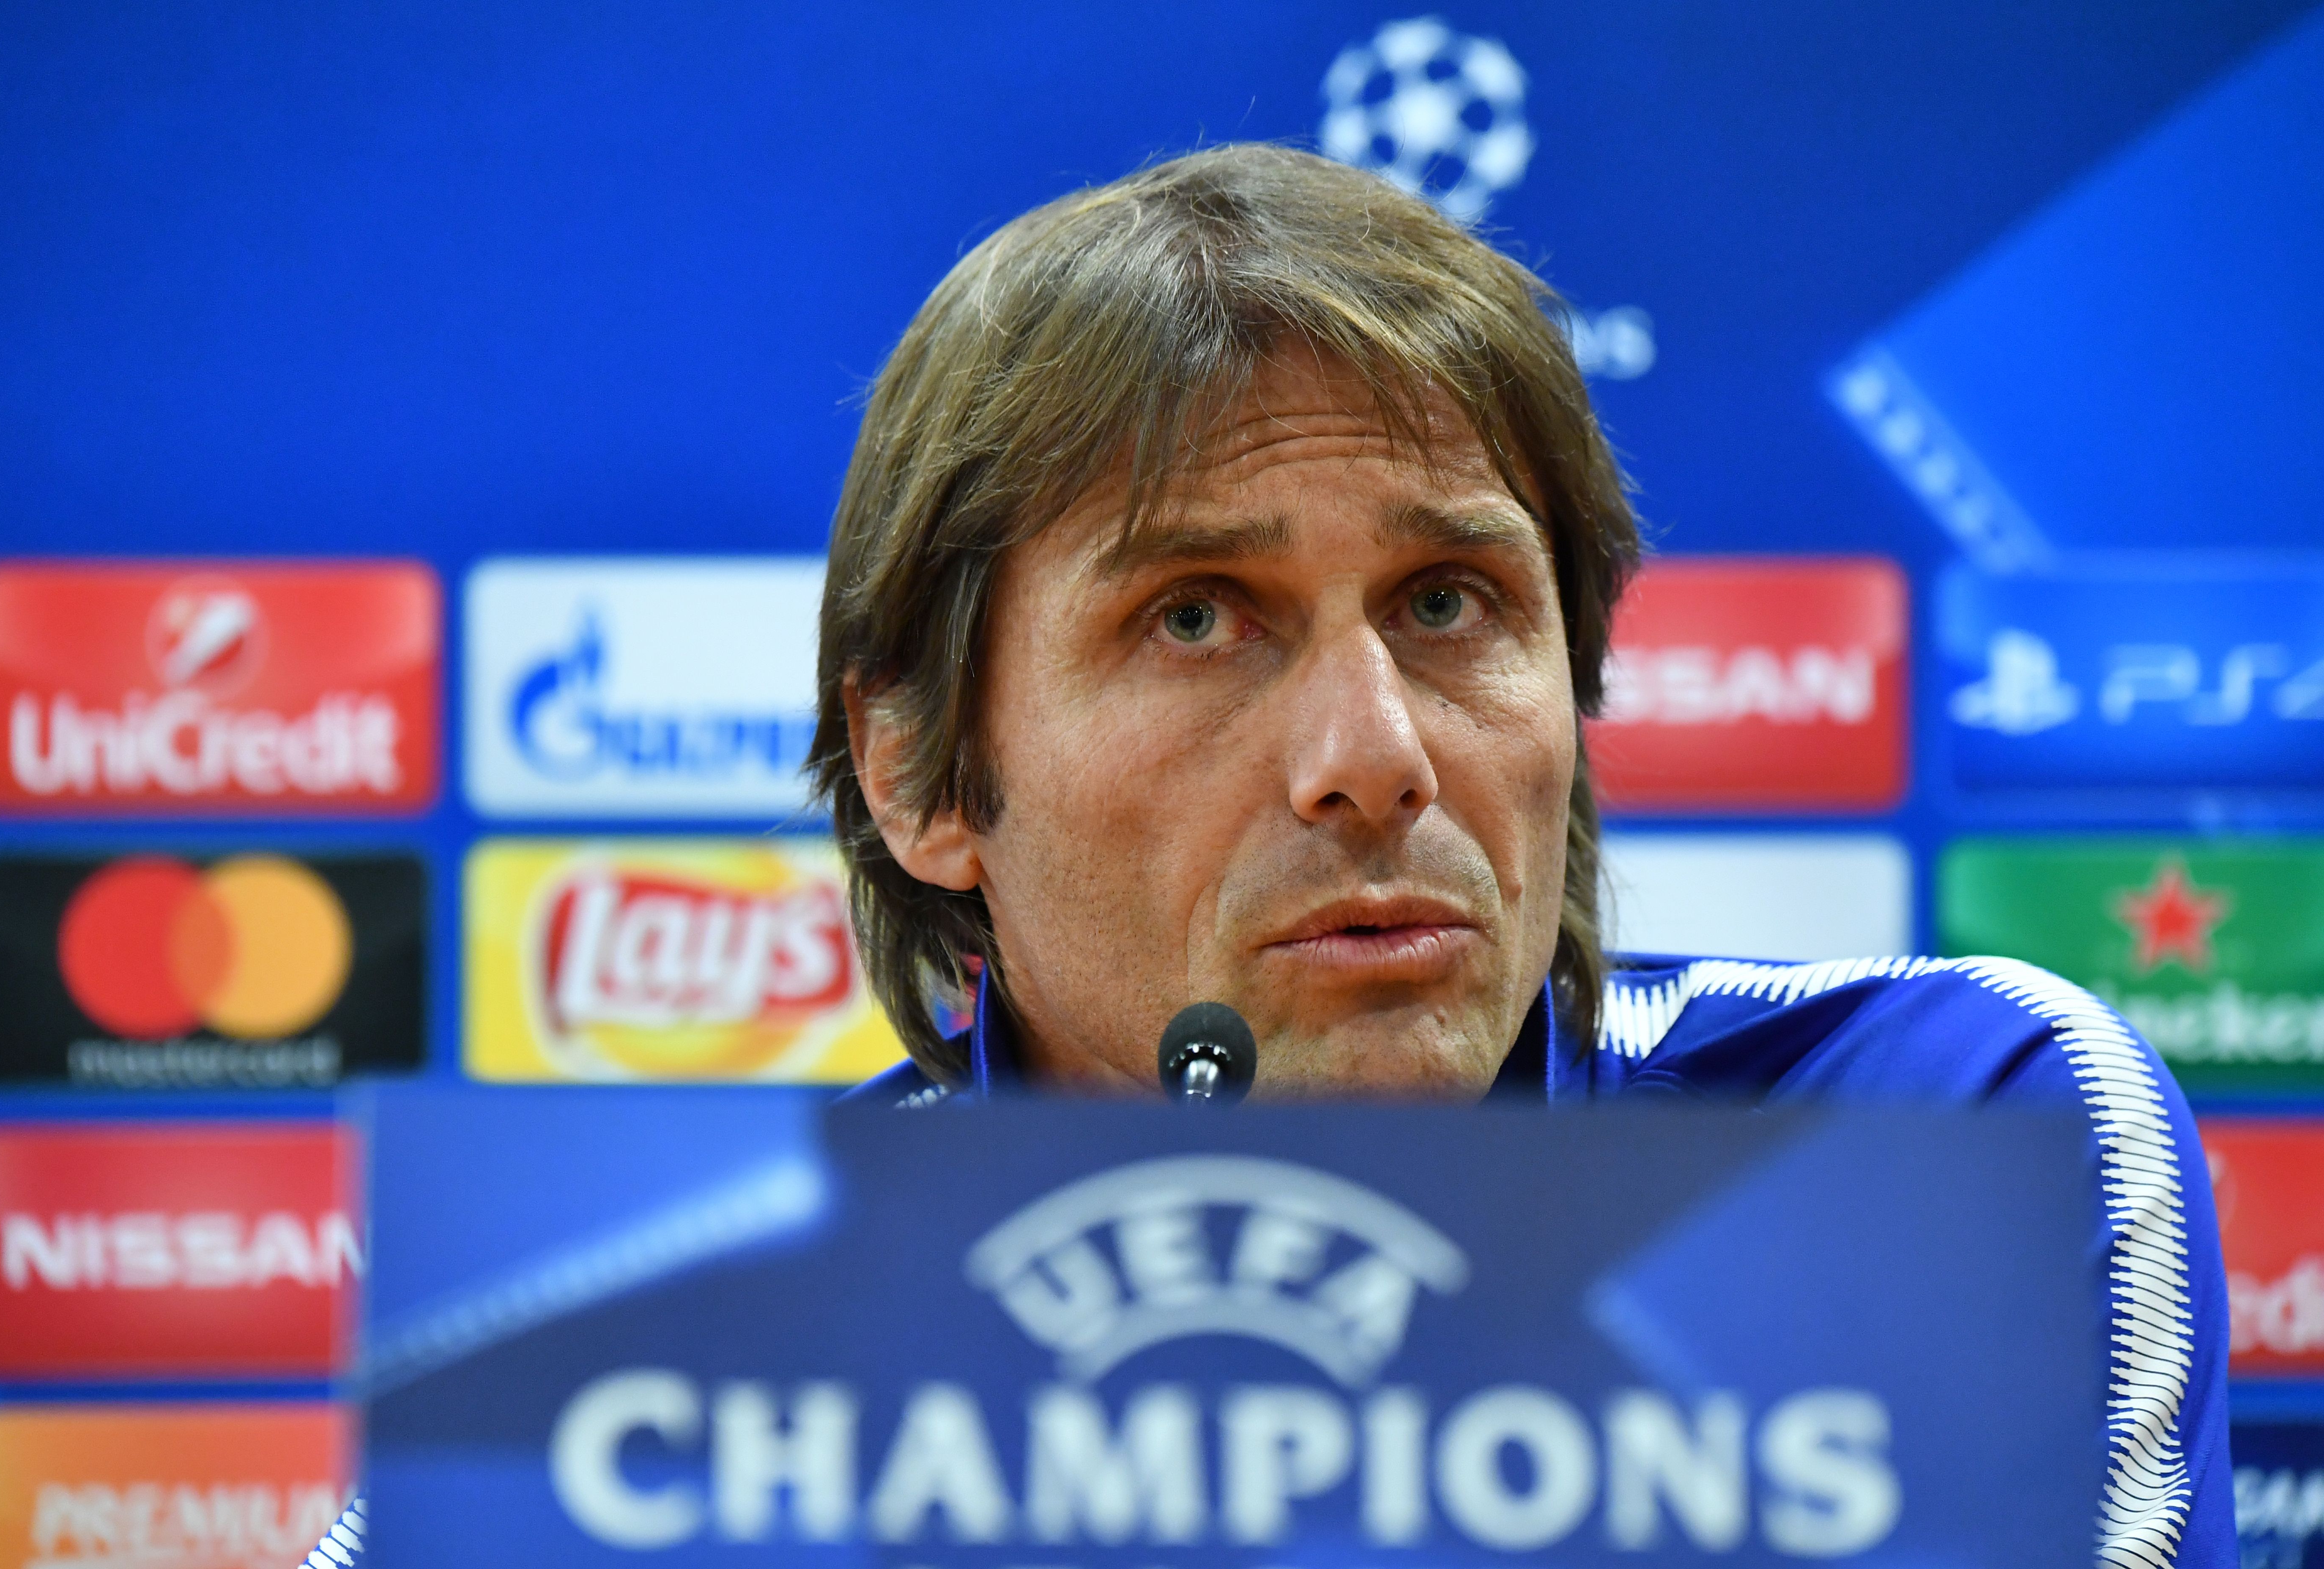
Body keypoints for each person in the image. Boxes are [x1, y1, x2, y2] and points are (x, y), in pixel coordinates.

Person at [308, 143, 2228, 1568]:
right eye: (1199, 618)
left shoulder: (1939, 1132)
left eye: (1454, 600)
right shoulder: (603, 1387)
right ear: (920, 770)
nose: (1375, 760)